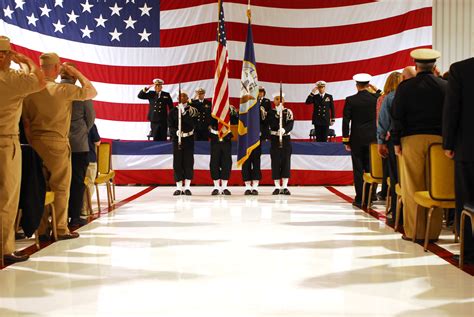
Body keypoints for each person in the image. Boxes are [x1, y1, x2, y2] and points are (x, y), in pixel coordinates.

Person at [23, 52, 97, 241]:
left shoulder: (30, 90)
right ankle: (60, 228)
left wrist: (32, 141)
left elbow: (25, 123)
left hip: (34, 144)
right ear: (56, 68)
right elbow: (91, 91)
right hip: (57, 144)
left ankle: (41, 230)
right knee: (61, 187)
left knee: (39, 186)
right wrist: (77, 73)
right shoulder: (61, 90)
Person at [391, 48, 447, 242]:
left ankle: (414, 232)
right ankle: (433, 233)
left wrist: (396, 141)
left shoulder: (405, 88)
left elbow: (397, 117)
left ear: (416, 65)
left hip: (411, 139)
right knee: (435, 186)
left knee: (412, 187)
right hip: (439, 141)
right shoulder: (444, 86)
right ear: (435, 66)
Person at [0, 36, 45, 263]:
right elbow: (39, 80)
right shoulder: (11, 79)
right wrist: (25, 60)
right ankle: (4, 250)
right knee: (7, 199)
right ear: (6, 55)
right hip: (5, 144)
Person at [443, 57, 474, 264]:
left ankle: (469, 252)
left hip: (468, 147)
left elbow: (452, 109)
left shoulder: (461, 69)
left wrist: (448, 143)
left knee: (467, 200)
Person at [377, 67, 415, 225]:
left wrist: (380, 142)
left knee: (395, 178)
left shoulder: (390, 97)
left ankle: (397, 213)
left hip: (396, 141)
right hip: (416, 142)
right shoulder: (418, 95)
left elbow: (383, 122)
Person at [61, 63, 95, 227]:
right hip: (78, 144)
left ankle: (57, 217)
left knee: (58, 181)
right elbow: (90, 119)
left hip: (58, 142)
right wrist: (80, 131)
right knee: (77, 180)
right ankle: (74, 216)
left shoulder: (52, 90)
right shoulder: (81, 93)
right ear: (74, 77)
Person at [342, 73, 381, 208]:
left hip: (357, 139)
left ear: (356, 85)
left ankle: (359, 198)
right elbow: (382, 96)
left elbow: (346, 121)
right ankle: (371, 196)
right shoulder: (376, 98)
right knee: (371, 168)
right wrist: (376, 90)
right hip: (372, 138)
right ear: (368, 84)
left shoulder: (351, 100)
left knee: (358, 170)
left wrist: (346, 140)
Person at [375, 72, 402, 201]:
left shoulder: (385, 98)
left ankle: (389, 195)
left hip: (389, 138)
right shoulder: (406, 95)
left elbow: (381, 120)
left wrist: (381, 139)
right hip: (405, 138)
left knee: (391, 171)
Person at [168, 91, 198, 196]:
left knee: (188, 162)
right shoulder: (172, 111)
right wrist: (175, 132)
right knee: (177, 162)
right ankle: (179, 187)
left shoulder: (192, 111)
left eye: (184, 96)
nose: (181, 98)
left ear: (187, 98)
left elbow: (193, 124)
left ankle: (187, 187)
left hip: (188, 138)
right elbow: (170, 125)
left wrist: (184, 113)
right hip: (177, 140)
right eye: (180, 96)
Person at [241, 93, 269, 196]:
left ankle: (255, 186)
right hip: (246, 139)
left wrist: (263, 135)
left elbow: (265, 123)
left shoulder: (260, 109)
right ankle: (247, 186)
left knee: (256, 162)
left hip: (257, 138)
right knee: (246, 162)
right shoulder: (243, 108)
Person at [268, 93, 294, 195]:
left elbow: (291, 124)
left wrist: (284, 129)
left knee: (285, 161)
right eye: (276, 99)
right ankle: (277, 186)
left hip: (286, 138)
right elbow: (271, 123)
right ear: (273, 101)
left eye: (280, 99)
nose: (278, 101)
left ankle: (285, 186)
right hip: (275, 138)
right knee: (275, 161)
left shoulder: (288, 112)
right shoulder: (271, 112)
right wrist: (277, 116)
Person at [209, 106, 238, 195]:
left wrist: (233, 113)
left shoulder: (230, 109)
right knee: (214, 163)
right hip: (215, 140)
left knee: (226, 162)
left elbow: (235, 121)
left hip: (226, 140)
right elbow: (207, 123)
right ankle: (216, 187)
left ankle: (225, 187)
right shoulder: (213, 108)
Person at [82, 124, 101, 216]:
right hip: (90, 158)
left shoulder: (71, 122)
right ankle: (84, 209)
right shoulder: (91, 125)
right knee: (89, 184)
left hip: (74, 159)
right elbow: (97, 142)